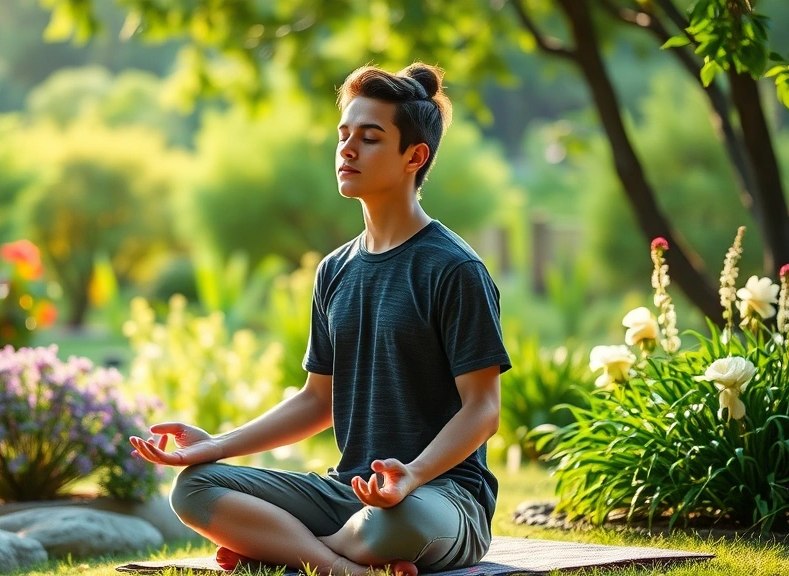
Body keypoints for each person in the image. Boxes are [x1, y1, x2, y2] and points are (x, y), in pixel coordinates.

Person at [129, 62, 511, 576]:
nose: (347, 150)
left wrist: (412, 475)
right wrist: (216, 444)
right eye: (344, 135)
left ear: (413, 157)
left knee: (399, 525)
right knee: (194, 487)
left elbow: (483, 409)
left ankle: (284, 548)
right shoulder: (335, 269)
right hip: (347, 491)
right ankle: (344, 567)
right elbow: (317, 400)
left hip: (439, 498)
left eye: (370, 138)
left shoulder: (453, 268)